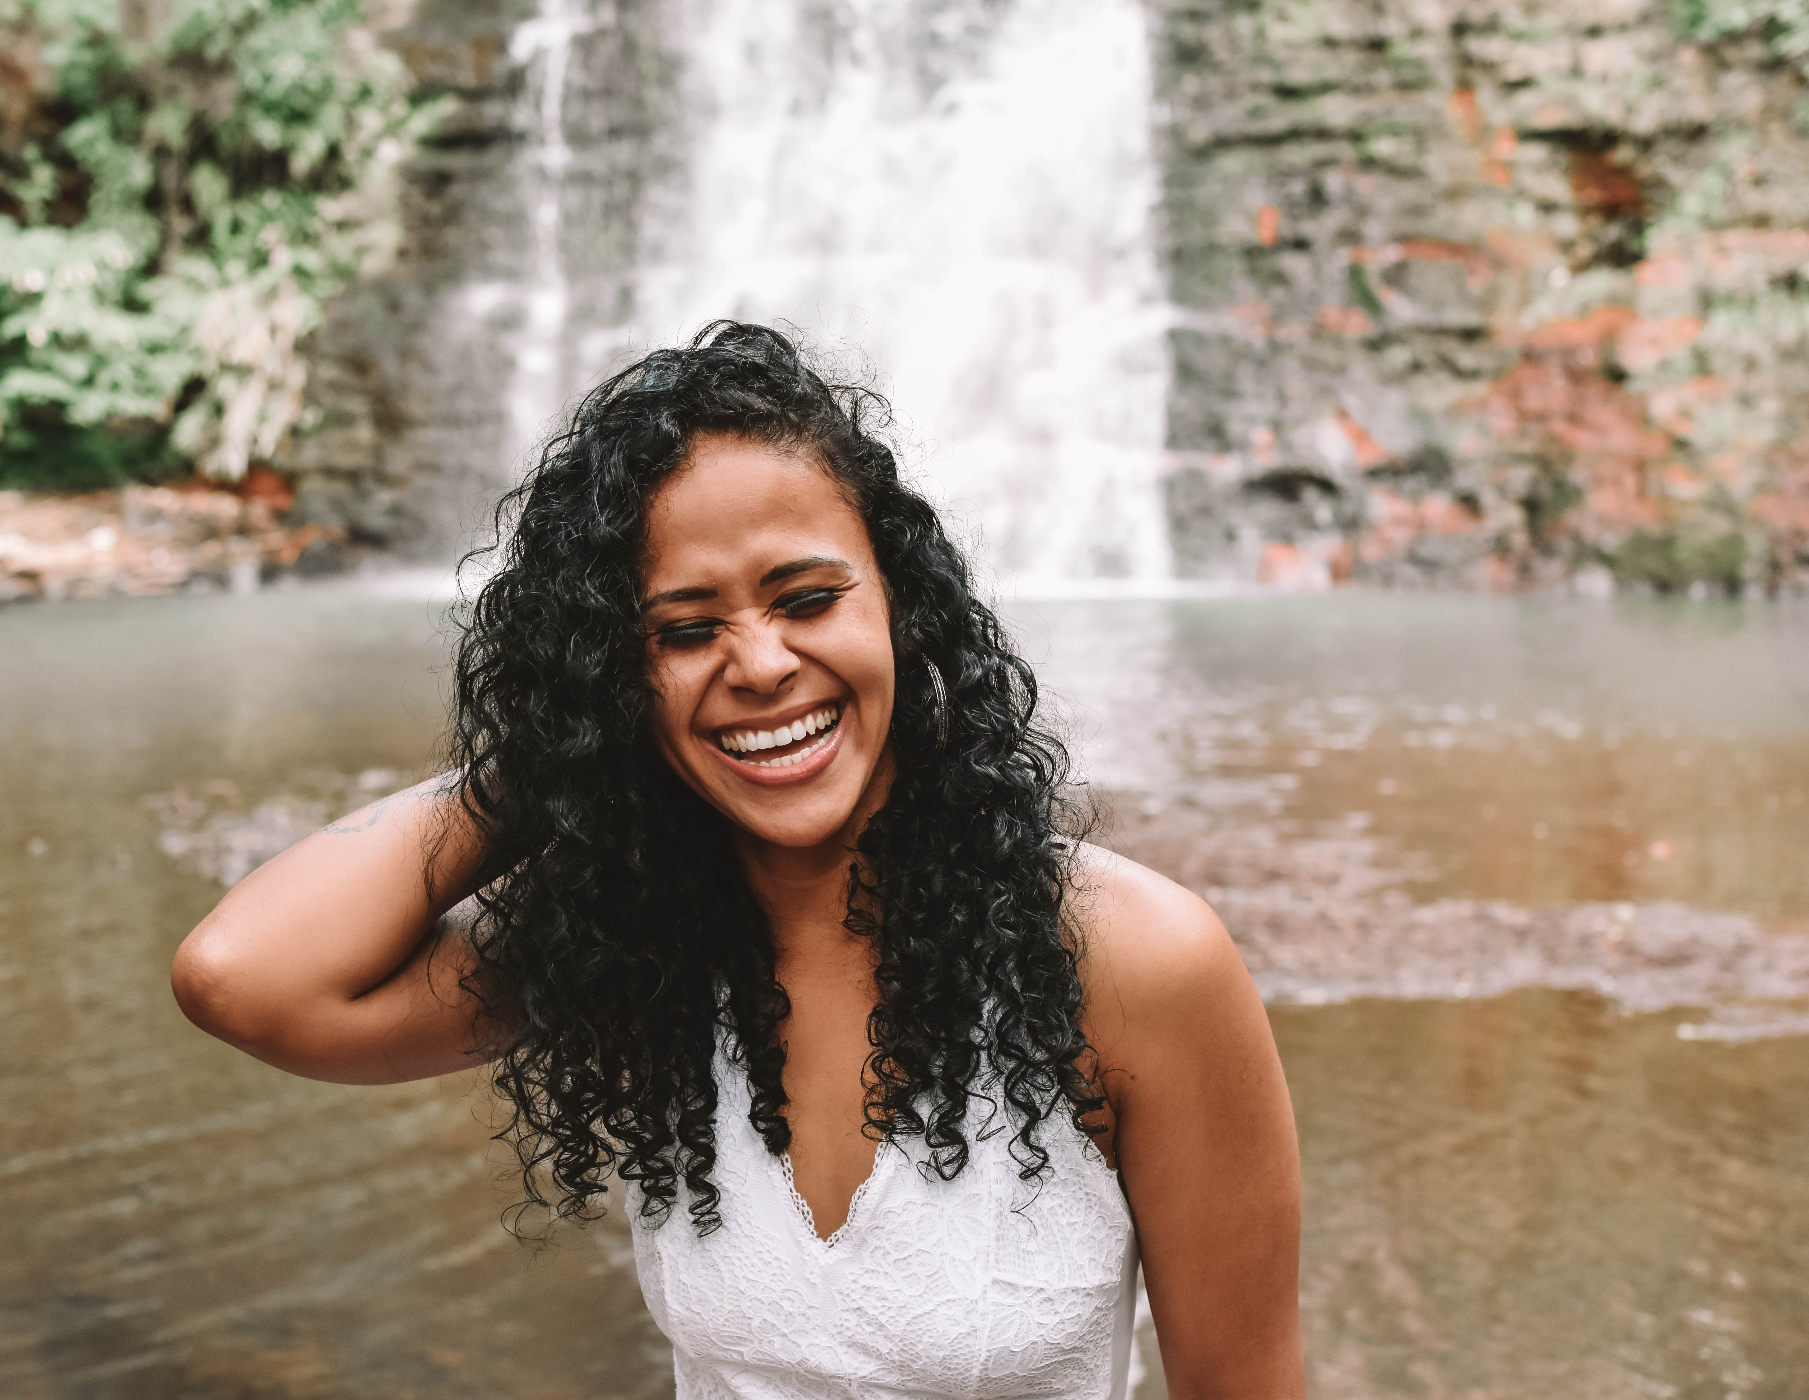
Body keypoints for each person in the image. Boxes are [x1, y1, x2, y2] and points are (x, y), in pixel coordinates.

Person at [171, 322, 1303, 1398]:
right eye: (682, 627)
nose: (760, 662)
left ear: (903, 608)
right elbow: (245, 977)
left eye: (807, 598)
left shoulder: (1131, 963)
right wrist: (565, 747)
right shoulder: (633, 951)